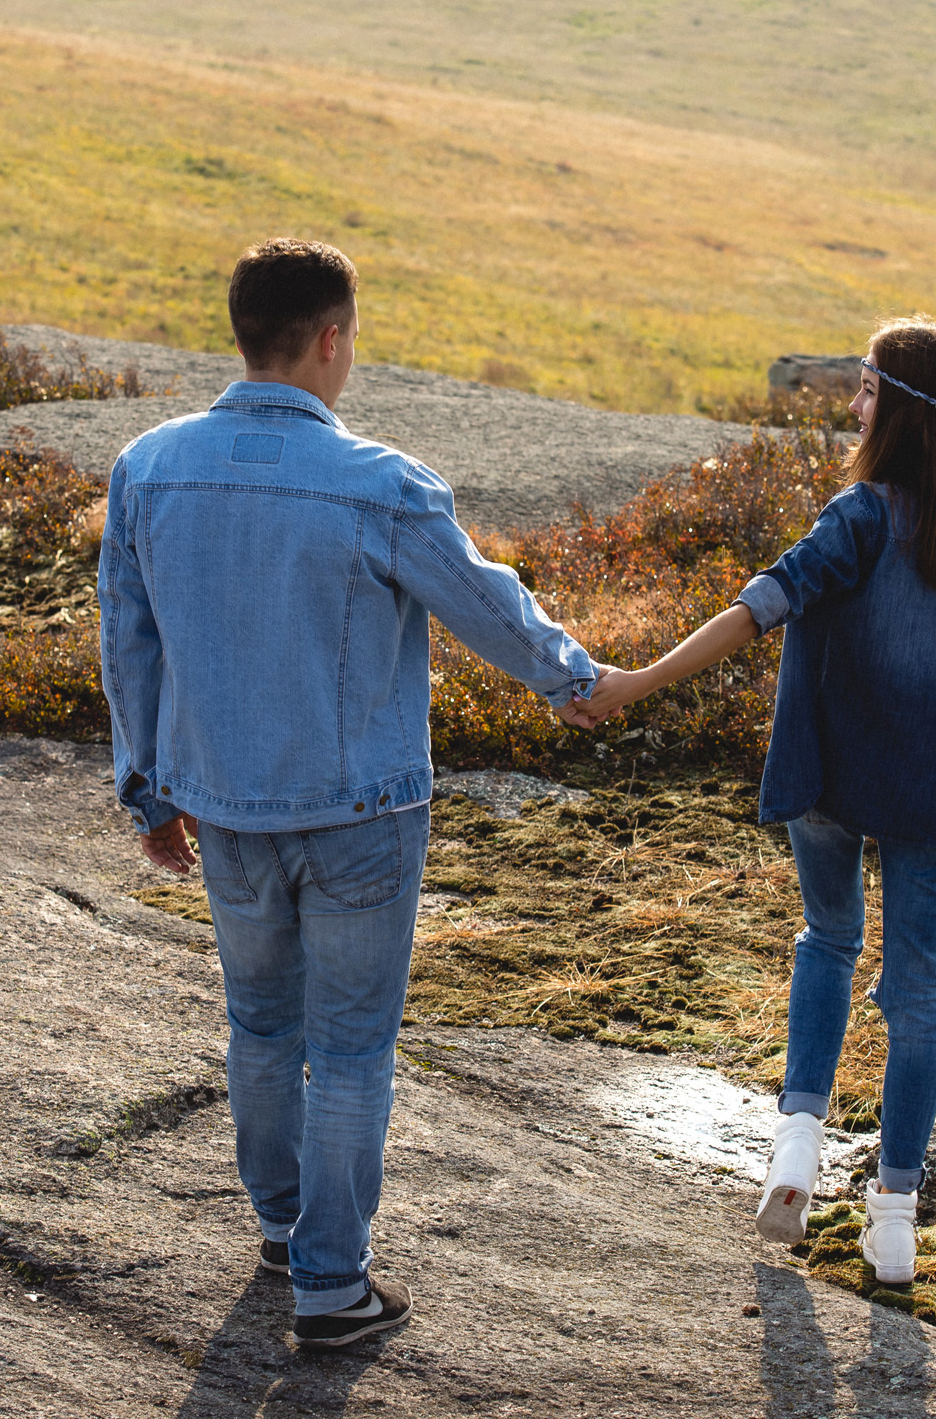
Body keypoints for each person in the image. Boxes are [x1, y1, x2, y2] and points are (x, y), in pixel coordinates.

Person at [99, 238, 603, 1348]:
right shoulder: (381, 484)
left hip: (222, 805)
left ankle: (284, 1231)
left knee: (262, 1026)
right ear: (331, 339)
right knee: (354, 1049)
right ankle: (333, 1285)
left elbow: (127, 640)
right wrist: (575, 683)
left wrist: (149, 790)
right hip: (364, 815)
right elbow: (488, 608)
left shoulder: (148, 467)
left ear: (244, 331)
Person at [578, 316, 936, 1286]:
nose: (852, 405)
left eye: (863, 387)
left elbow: (761, 606)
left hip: (835, 774)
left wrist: (637, 681)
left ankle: (798, 1154)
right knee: (919, 997)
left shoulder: (861, 514)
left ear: (898, 404)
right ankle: (893, 1218)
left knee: (828, 940)